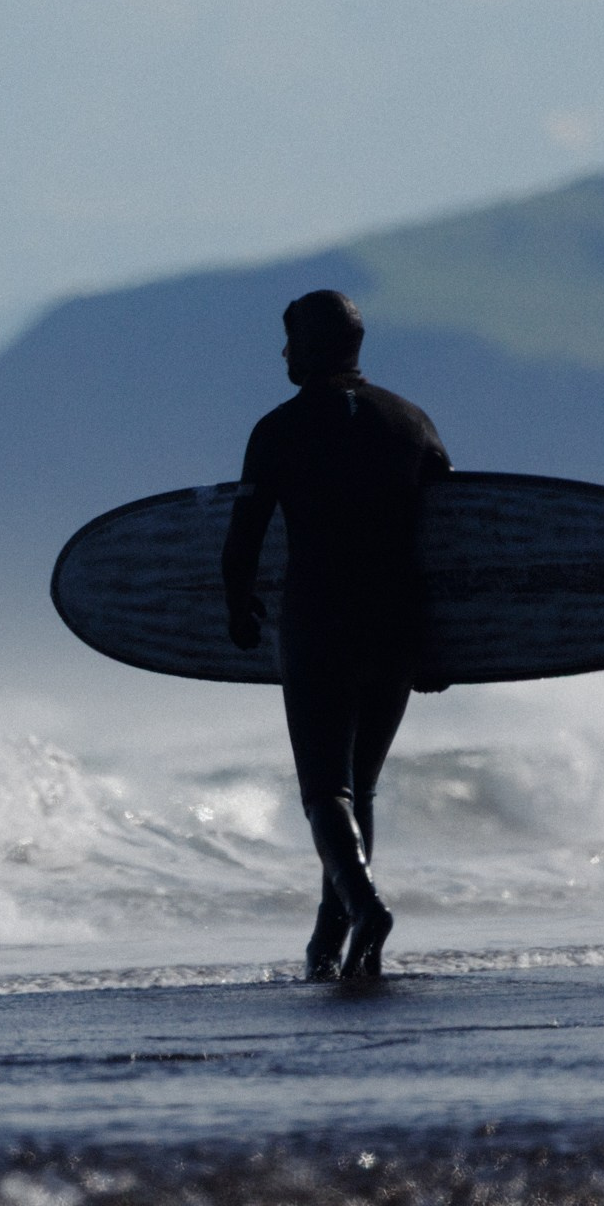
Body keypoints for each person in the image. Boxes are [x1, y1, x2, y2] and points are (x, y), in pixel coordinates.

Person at [221, 290, 450, 981]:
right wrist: (440, 641)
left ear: (314, 345)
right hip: (398, 622)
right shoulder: (413, 423)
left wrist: (238, 609)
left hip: (320, 618)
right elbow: (452, 541)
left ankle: (365, 905)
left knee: (326, 790)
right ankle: (328, 940)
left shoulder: (279, 430)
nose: (283, 353)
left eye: (290, 339)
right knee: (361, 788)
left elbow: (244, 540)